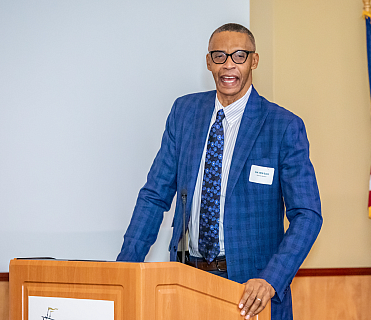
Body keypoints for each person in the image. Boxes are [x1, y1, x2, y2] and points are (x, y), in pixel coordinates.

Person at [117, 23, 323, 320]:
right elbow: (154, 197)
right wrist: (124, 269)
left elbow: (308, 215)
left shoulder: (283, 126)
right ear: (208, 62)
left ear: (254, 60)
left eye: (239, 56)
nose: (229, 65)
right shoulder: (184, 113)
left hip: (250, 292)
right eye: (219, 56)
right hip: (186, 282)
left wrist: (270, 280)